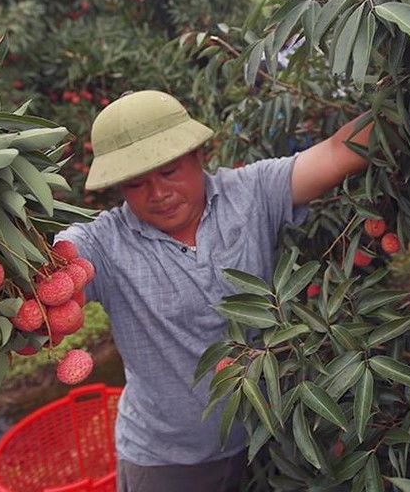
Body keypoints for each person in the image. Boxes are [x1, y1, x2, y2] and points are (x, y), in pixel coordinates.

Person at [54, 90, 372, 492]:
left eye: (169, 172)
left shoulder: (250, 193)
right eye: (135, 184)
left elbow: (337, 152)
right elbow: (49, 272)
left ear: (198, 154)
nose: (158, 194)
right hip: (167, 463)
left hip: (263, 436)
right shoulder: (104, 242)